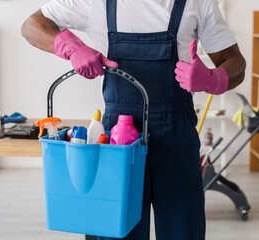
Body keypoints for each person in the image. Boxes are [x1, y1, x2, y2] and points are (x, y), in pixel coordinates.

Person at [22, 0, 246, 239]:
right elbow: (32, 25)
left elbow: (235, 63)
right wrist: (71, 47)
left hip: (176, 140)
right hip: (116, 146)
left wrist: (214, 78)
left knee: (183, 232)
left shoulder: (196, 3)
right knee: (114, 231)